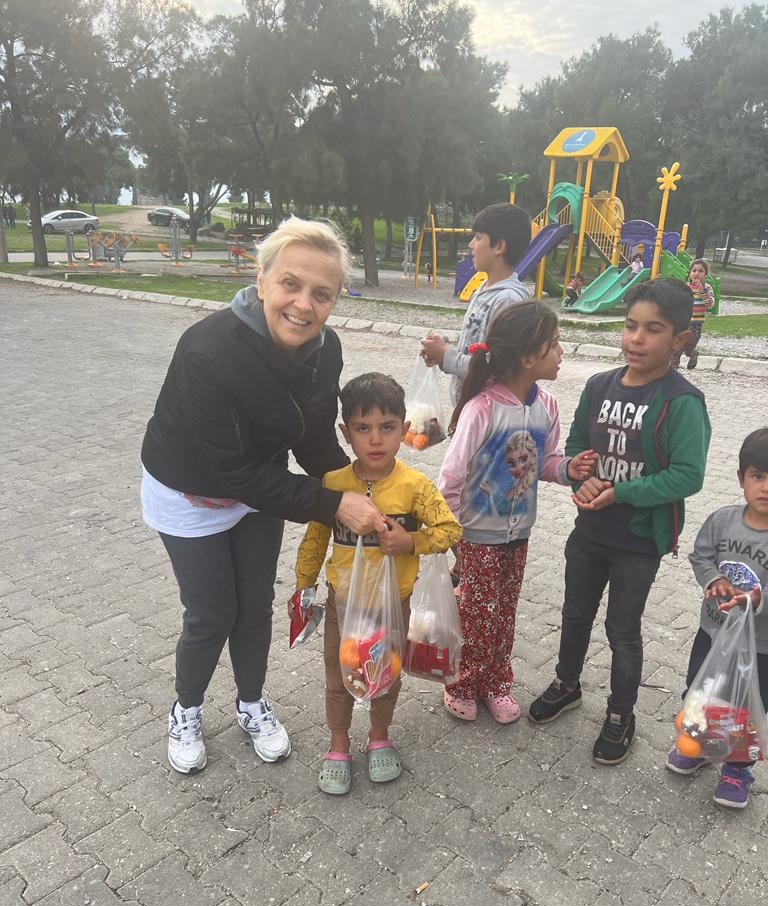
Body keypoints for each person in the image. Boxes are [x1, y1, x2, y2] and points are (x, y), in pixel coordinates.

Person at [140, 217, 388, 775]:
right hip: (191, 493)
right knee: (212, 612)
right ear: (261, 280)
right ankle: (186, 709)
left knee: (254, 605)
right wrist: (333, 504)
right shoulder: (208, 351)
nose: (304, 305)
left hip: (259, 489)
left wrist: (365, 486)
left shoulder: (325, 350)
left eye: (321, 293)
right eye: (290, 285)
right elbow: (232, 471)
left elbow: (314, 437)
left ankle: (250, 702)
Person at [527, 278, 712, 764]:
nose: (637, 338)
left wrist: (622, 492)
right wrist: (581, 475)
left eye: (653, 329)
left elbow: (687, 475)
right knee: (574, 613)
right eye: (631, 325)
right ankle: (567, 684)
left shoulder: (682, 401)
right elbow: (576, 446)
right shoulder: (598, 385)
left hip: (638, 540)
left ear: (680, 339)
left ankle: (620, 713)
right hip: (589, 531)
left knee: (622, 630)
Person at [291, 372, 461, 795]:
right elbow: (315, 540)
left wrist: (411, 542)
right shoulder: (334, 485)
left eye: (387, 427)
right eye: (363, 428)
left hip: (392, 607)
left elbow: (450, 530)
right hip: (343, 606)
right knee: (339, 677)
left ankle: (379, 736)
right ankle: (338, 744)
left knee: (386, 676)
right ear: (345, 433)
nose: (376, 439)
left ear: (404, 429)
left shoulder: (415, 487)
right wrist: (304, 586)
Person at [437, 301, 596, 724]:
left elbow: (545, 462)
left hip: (519, 534)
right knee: (477, 616)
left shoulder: (548, 406)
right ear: (528, 357)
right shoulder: (482, 408)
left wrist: (569, 469)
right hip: (476, 536)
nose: (561, 352)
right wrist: (454, 539)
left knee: (504, 614)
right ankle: (461, 684)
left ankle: (496, 683)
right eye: (554, 344)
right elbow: (449, 480)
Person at [666, 427, 768, 808]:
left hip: (760, 647)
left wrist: (756, 598)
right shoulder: (722, 521)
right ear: (742, 478)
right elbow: (701, 555)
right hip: (713, 632)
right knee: (700, 687)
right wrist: (714, 579)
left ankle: (737, 769)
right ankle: (700, 746)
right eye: (758, 476)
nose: (765, 487)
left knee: (745, 706)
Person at [420, 203, 531, 405]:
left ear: (499, 247)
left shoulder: (508, 300)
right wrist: (441, 348)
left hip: (489, 414)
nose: (471, 244)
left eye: (478, 237)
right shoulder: (483, 290)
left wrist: (445, 356)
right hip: (470, 409)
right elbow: (476, 341)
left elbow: (496, 367)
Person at [672, 258, 715, 371]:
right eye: (694, 270)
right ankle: (673, 371)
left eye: (700, 271)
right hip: (682, 323)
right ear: (690, 273)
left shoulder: (707, 288)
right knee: (677, 348)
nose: (697, 273)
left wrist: (702, 291)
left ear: (705, 274)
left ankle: (693, 354)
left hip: (696, 324)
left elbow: (710, 304)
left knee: (689, 349)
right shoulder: (685, 287)